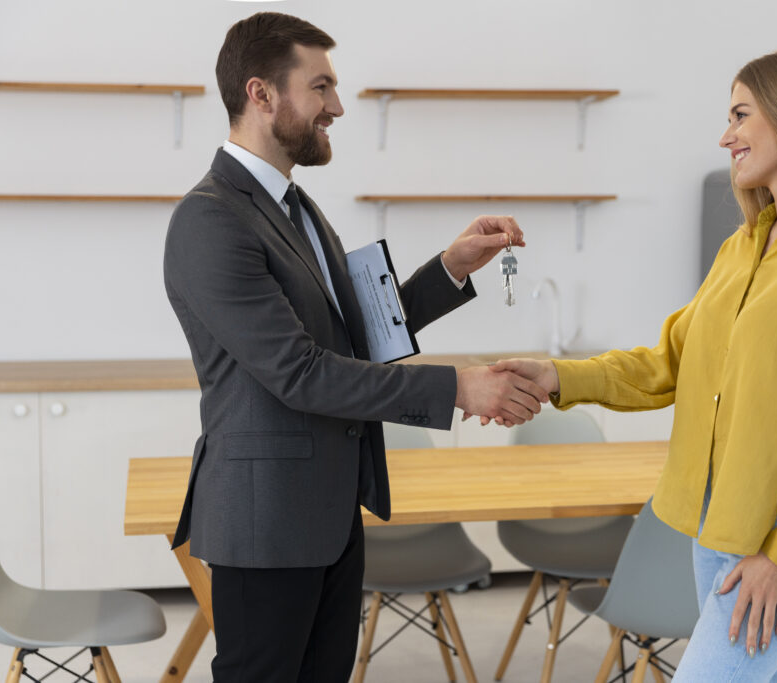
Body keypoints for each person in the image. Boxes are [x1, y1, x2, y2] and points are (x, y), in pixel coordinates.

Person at [491, 48, 777, 682]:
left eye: (741, 115)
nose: (726, 135)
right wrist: (557, 377)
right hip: (711, 520)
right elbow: (671, 363)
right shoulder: (741, 246)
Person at [163, 12, 548, 681]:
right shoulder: (211, 218)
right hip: (266, 523)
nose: (337, 106)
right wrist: (459, 387)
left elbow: (353, 335)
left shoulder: (295, 206)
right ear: (261, 94)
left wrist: (451, 266)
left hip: (328, 516)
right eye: (321, 88)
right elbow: (301, 371)